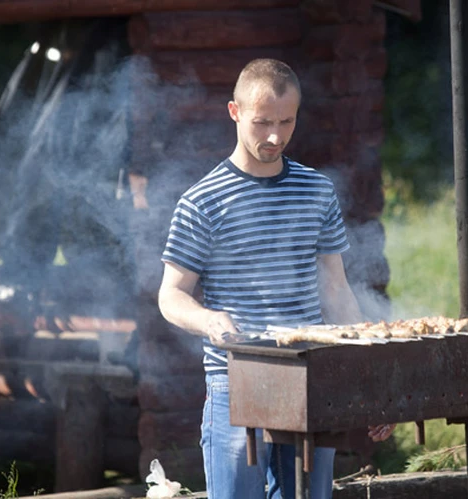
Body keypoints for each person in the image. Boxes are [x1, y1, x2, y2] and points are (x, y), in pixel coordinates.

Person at [157, 58, 395, 499]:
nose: (274, 136)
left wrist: (369, 380)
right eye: (262, 122)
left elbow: (336, 292)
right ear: (234, 112)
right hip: (236, 380)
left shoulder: (316, 191)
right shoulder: (201, 201)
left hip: (311, 376)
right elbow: (171, 296)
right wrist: (210, 321)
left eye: (286, 122)